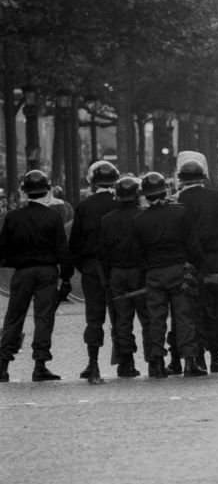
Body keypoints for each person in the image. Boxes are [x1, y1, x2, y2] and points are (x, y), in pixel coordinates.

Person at [0, 171, 74, 383]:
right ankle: (40, 364)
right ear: (47, 190)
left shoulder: (13, 217)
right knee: (44, 317)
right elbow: (62, 250)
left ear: (24, 191)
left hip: (22, 272)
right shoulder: (53, 217)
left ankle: (3, 363)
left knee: (14, 317)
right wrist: (66, 277)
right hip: (47, 271)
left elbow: (3, 247)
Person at [132, 172, 206, 378]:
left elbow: (138, 252)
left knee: (156, 318)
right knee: (184, 316)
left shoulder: (139, 220)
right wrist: (198, 265)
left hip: (154, 272)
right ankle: (190, 360)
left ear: (145, 195)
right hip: (178, 269)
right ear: (165, 190)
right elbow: (192, 244)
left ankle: (156, 361)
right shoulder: (180, 213)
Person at [176, 155, 218, 374]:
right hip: (217, 261)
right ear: (203, 177)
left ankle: (201, 357)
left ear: (181, 179)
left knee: (196, 311)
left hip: (191, 264)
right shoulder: (217, 197)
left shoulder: (177, 201)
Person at [68, 160, 121, 384]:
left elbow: (75, 245)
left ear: (92, 182)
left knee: (94, 317)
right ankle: (126, 361)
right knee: (120, 316)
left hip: (91, 267)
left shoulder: (84, 206)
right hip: (118, 267)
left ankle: (93, 362)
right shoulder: (121, 204)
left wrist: (83, 266)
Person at [99, 176, 149, 378]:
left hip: (117, 273)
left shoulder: (107, 220)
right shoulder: (143, 216)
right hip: (140, 272)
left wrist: (106, 277)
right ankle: (154, 360)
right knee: (148, 317)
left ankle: (125, 362)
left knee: (122, 319)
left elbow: (102, 252)